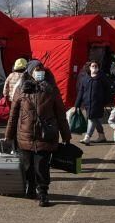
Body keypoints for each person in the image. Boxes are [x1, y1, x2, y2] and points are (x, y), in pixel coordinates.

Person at [5, 61, 71, 206]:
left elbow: (60, 114)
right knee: (27, 166)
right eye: (36, 70)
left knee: (41, 166)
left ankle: (43, 192)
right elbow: (13, 115)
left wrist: (66, 136)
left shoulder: (51, 90)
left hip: (45, 136)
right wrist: (8, 136)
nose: (39, 73)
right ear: (29, 72)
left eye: (41, 70)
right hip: (24, 135)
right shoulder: (21, 90)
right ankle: (30, 187)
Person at [75, 60, 111, 145]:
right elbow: (81, 92)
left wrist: (106, 101)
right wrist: (77, 105)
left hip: (98, 104)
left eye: (96, 66)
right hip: (87, 104)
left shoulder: (102, 78)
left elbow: (108, 90)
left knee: (91, 119)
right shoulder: (85, 79)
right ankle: (102, 136)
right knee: (96, 120)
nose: (94, 68)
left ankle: (87, 137)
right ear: (89, 68)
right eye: (93, 66)